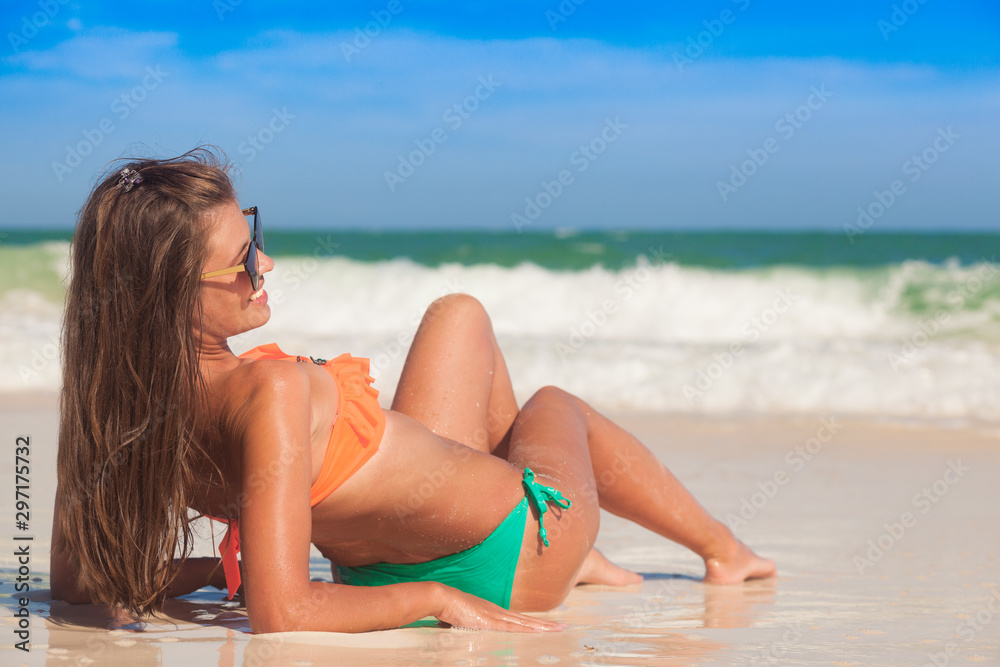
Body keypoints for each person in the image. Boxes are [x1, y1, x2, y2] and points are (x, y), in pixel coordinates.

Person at [50, 149, 775, 634]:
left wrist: (215, 568)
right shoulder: (263, 390)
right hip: (512, 555)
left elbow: (79, 583)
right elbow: (281, 610)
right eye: (242, 260)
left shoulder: (111, 406)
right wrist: (434, 598)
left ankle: (578, 554)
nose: (265, 262)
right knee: (558, 406)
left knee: (459, 316)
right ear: (169, 295)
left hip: (376, 562)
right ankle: (721, 548)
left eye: (255, 233)